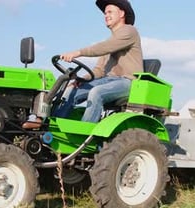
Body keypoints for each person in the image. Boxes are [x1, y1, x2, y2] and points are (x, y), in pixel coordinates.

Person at [22, 0, 143, 129]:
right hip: (109, 81)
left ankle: (84, 132)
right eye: (105, 13)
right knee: (72, 90)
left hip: (129, 82)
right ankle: (51, 127)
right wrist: (80, 79)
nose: (106, 15)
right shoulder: (110, 43)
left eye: (110, 12)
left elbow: (104, 47)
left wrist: (78, 53)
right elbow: (99, 71)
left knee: (96, 92)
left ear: (122, 13)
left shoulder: (129, 31)